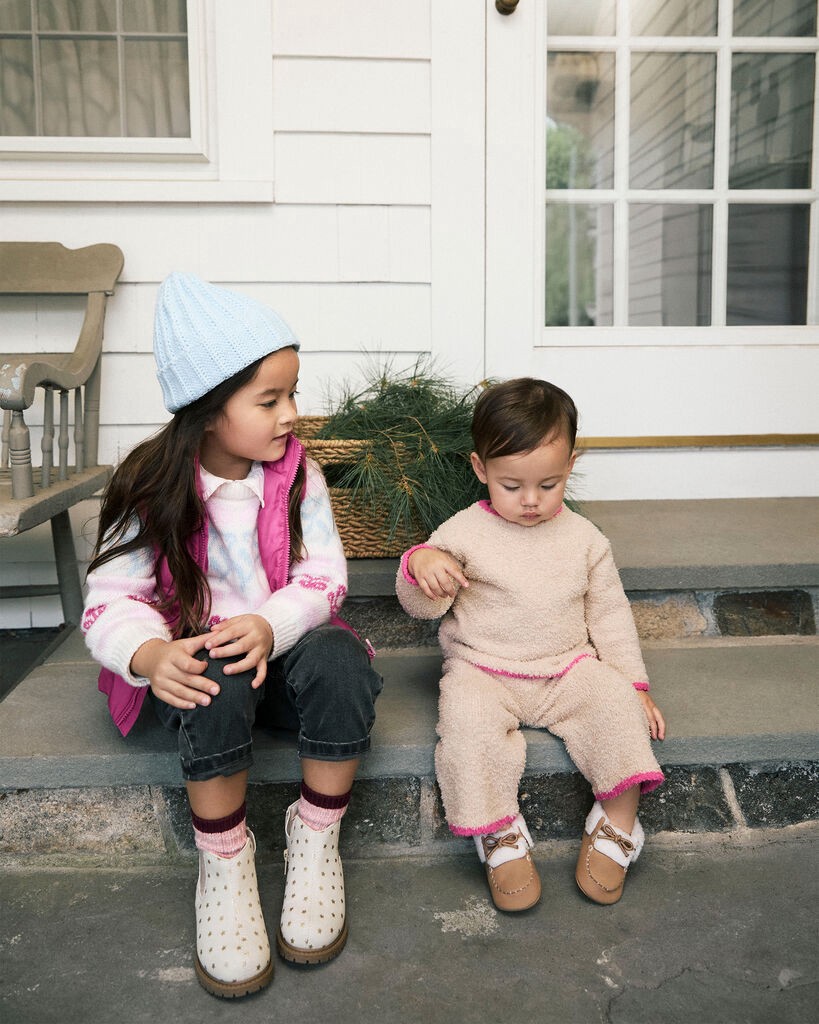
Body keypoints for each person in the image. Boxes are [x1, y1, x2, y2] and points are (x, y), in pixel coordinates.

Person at [82, 273, 382, 998]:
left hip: (283, 656)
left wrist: (269, 623)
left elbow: (324, 579)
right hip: (199, 676)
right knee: (209, 663)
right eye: (270, 400)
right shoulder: (151, 487)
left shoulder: (299, 476)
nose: (291, 415)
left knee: (341, 659)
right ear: (209, 410)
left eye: (292, 393)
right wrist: (151, 655)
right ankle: (224, 861)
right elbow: (109, 601)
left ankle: (315, 835)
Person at [395, 377, 665, 913]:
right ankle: (498, 834)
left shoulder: (585, 539)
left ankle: (616, 823)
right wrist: (421, 564)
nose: (531, 500)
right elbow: (420, 604)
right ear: (480, 470)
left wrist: (633, 684)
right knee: (467, 728)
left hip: (566, 668)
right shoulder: (463, 531)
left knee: (616, 709)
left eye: (548, 484)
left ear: (569, 468)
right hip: (483, 670)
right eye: (512, 484)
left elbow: (609, 614)